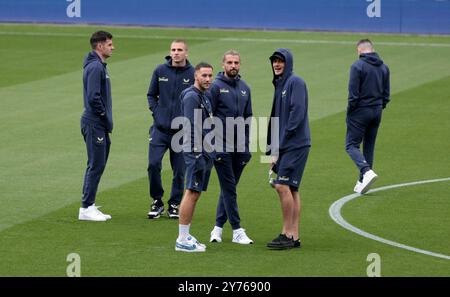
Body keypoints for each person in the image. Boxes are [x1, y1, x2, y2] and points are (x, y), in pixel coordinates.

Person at [265, 48, 311, 249]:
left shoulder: (295, 82)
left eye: (280, 61)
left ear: (288, 63)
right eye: (274, 61)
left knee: (282, 186)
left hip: (295, 144)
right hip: (288, 143)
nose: (276, 64)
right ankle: (294, 235)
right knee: (291, 188)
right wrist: (273, 148)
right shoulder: (281, 84)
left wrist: (280, 146)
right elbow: (277, 119)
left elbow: (297, 113)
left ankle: (287, 234)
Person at [207, 50, 254, 245]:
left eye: (236, 62)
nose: (233, 65)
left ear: (240, 65)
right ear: (223, 64)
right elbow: (207, 117)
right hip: (220, 147)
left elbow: (248, 117)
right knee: (230, 189)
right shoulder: (215, 87)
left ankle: (217, 229)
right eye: (229, 62)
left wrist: (246, 146)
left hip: (240, 149)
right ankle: (237, 230)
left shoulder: (245, 88)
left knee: (229, 188)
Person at [146, 39, 195, 219]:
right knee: (153, 165)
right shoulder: (160, 71)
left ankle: (174, 204)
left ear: (186, 53)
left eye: (180, 50)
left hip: (181, 132)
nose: (176, 53)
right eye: (173, 49)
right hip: (159, 129)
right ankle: (157, 201)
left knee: (179, 171)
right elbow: (151, 95)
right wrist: (157, 113)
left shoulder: (193, 73)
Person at [175, 62, 215, 252]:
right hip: (195, 152)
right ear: (195, 76)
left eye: (210, 76)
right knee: (191, 191)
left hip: (202, 151)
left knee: (194, 192)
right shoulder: (192, 97)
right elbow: (191, 127)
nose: (207, 79)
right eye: (204, 76)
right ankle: (182, 239)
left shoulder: (203, 96)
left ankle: (186, 234)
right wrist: (198, 153)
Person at [345, 39, 390, 194]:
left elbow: (353, 94)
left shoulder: (357, 66)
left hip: (360, 111)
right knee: (369, 146)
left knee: (351, 145)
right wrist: (379, 107)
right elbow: (386, 94)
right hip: (377, 111)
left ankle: (366, 171)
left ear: (359, 51)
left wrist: (351, 111)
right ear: (372, 49)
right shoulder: (384, 67)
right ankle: (362, 180)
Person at [78, 31, 115, 222]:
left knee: (98, 164)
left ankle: (90, 204)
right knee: (96, 164)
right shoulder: (95, 67)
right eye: (109, 44)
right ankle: (86, 208)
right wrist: (103, 115)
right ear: (100, 46)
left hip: (99, 123)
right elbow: (94, 97)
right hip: (94, 122)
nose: (112, 47)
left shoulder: (99, 66)